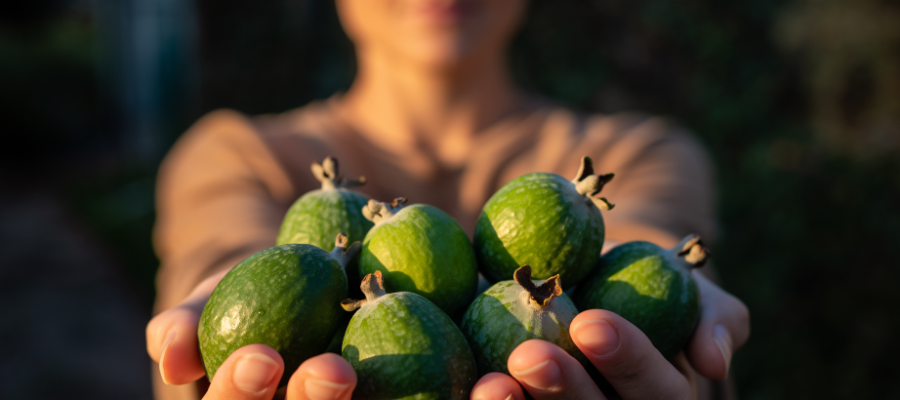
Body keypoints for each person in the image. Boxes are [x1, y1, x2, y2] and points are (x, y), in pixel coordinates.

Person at [146, 1, 750, 399]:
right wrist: (216, 310)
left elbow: (644, 234)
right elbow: (221, 251)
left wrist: (643, 278)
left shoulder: (642, 150)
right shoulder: (235, 152)